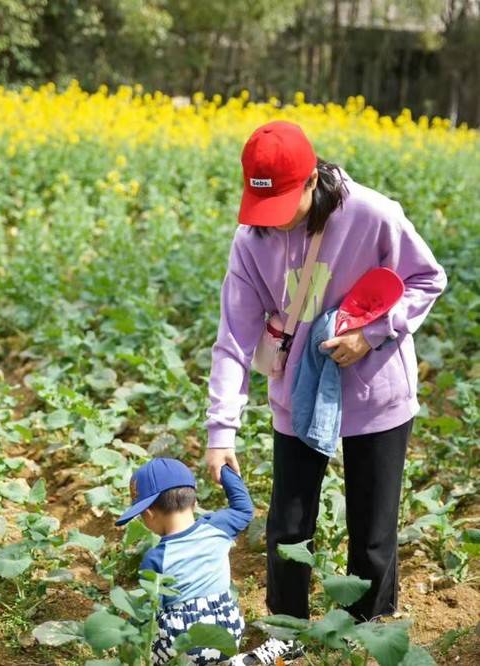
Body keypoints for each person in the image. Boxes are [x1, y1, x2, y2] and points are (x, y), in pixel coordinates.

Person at [205, 121, 447, 665]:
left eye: (286, 202)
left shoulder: (373, 214)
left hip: (375, 389)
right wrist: (221, 430)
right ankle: (287, 629)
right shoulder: (252, 238)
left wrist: (373, 333)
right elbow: (233, 340)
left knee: (373, 525)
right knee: (288, 522)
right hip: (297, 388)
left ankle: (370, 633)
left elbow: (428, 278)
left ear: (313, 179)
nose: (276, 220)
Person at [115, 457, 254, 665]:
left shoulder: (156, 558)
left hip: (184, 646)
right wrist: (224, 469)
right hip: (228, 634)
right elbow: (245, 508)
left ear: (149, 514)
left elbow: (148, 612)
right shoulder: (218, 527)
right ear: (194, 501)